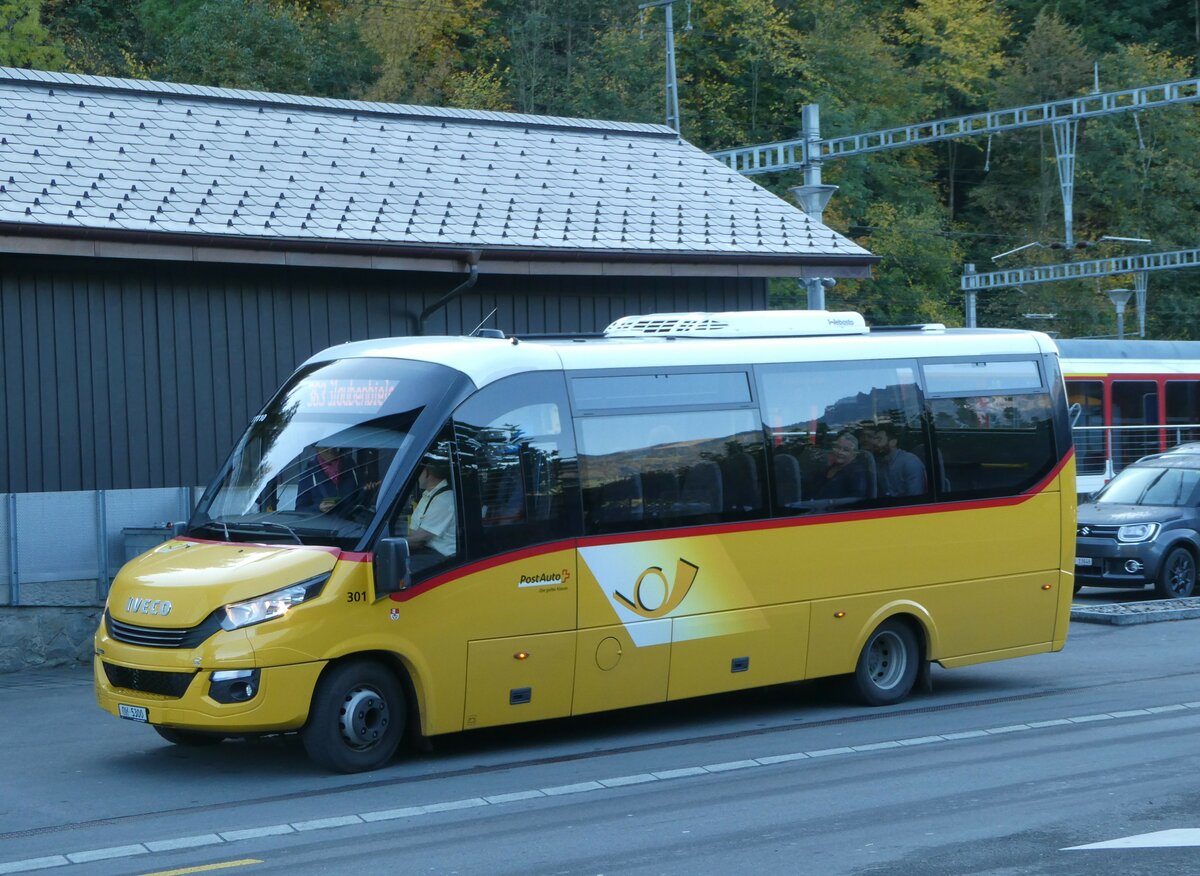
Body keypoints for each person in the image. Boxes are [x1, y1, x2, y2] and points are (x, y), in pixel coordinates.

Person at [406, 460, 457, 572]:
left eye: (419, 472)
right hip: (426, 552)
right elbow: (414, 532)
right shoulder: (428, 495)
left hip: (442, 557)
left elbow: (421, 537)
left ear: (427, 473)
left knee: (400, 570)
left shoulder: (444, 499)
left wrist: (397, 543)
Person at [867, 422, 928, 498]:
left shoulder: (910, 462)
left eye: (879, 439)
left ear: (893, 442)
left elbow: (914, 499)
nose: (874, 443)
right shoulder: (878, 464)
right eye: (874, 439)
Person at [297, 447, 362, 513]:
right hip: (324, 519)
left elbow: (361, 496)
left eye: (332, 446)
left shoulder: (351, 467)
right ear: (317, 449)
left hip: (350, 518)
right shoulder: (308, 474)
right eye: (325, 447)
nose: (330, 450)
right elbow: (300, 509)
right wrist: (318, 508)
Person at [815, 432, 870, 501]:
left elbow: (856, 498)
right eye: (837, 448)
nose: (840, 452)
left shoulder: (857, 473)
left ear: (854, 455)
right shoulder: (830, 467)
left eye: (846, 450)